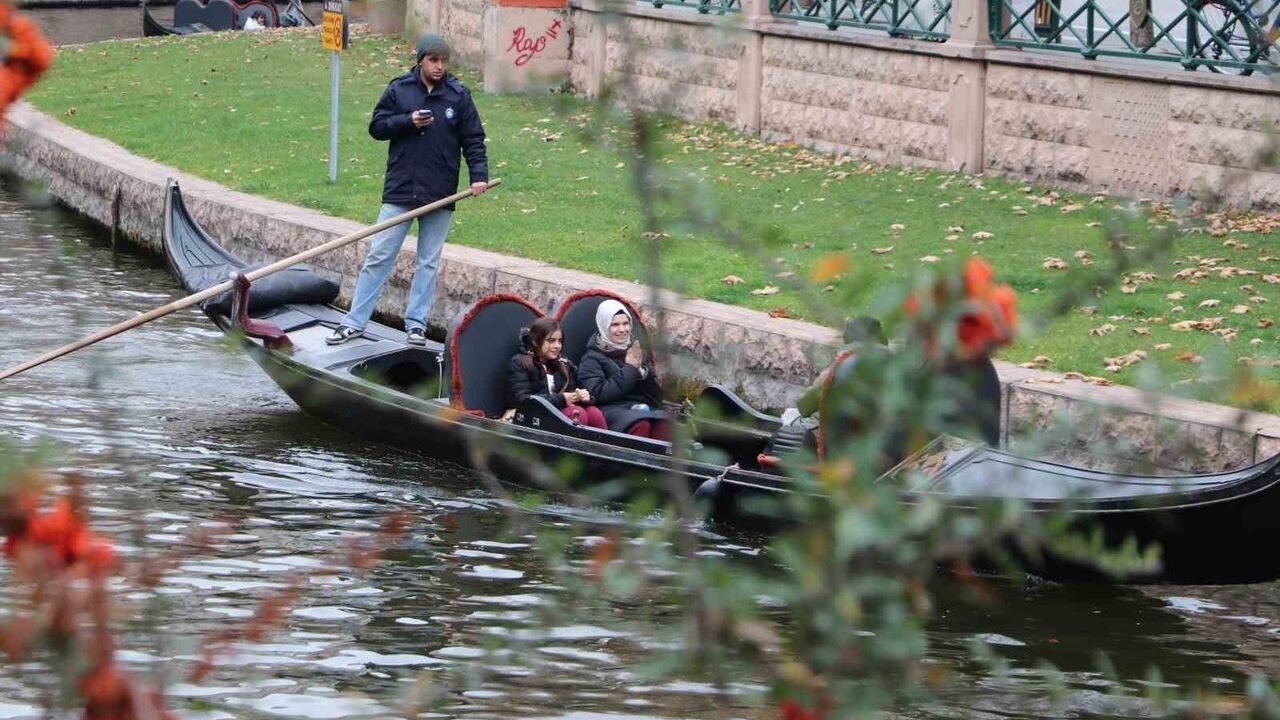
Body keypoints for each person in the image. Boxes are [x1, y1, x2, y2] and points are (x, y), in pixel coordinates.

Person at [327, 32, 489, 347]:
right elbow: (377, 127)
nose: (440, 66)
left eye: (444, 60)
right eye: (433, 60)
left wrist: (478, 176)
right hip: (401, 190)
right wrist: (407, 121)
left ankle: (416, 325)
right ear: (420, 60)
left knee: (428, 261)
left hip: (441, 192)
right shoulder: (399, 89)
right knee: (379, 255)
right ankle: (355, 322)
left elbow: (473, 139)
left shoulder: (458, 95)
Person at [577, 300, 669, 440]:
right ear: (604, 326)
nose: (622, 330)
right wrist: (630, 370)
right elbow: (597, 395)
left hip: (641, 407)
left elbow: (657, 397)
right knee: (641, 424)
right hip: (612, 409)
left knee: (663, 424)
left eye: (625, 324)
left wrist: (644, 374)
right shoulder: (591, 359)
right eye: (615, 325)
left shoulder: (636, 351)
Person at [506, 317, 607, 429]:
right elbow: (522, 400)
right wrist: (562, 399)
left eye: (560, 341)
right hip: (534, 418)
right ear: (535, 341)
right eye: (551, 341)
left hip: (560, 411)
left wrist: (584, 397)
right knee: (577, 413)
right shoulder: (520, 363)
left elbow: (574, 391)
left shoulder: (564, 364)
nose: (557, 346)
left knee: (594, 413)